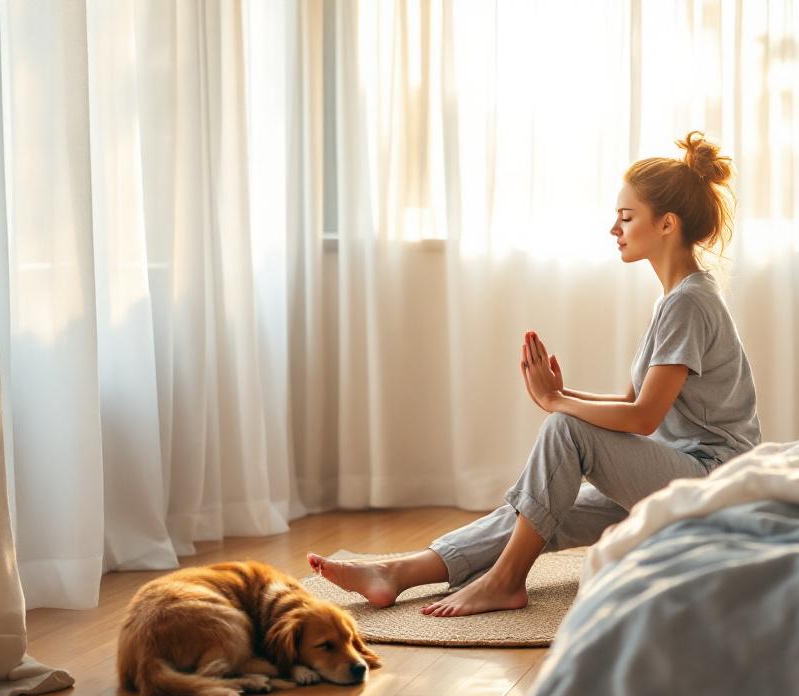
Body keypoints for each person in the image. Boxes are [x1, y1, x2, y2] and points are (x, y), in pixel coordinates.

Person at [307, 131, 761, 617]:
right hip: (676, 471)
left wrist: (557, 404)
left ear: (666, 223)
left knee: (564, 429)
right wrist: (562, 392)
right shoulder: (675, 300)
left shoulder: (689, 302)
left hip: (711, 481)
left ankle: (505, 581)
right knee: (542, 507)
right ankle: (397, 573)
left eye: (626, 217)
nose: (614, 228)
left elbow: (643, 418)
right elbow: (631, 401)